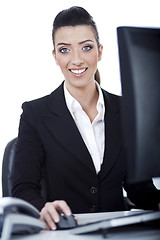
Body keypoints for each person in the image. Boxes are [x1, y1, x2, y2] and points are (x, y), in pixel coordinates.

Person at [12, 6, 160, 230]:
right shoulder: (35, 114)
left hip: (117, 233)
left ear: (99, 52)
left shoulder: (125, 109)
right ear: (55, 56)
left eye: (86, 47)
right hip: (64, 233)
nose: (77, 60)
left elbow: (138, 187)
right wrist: (43, 208)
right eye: (65, 50)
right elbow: (23, 189)